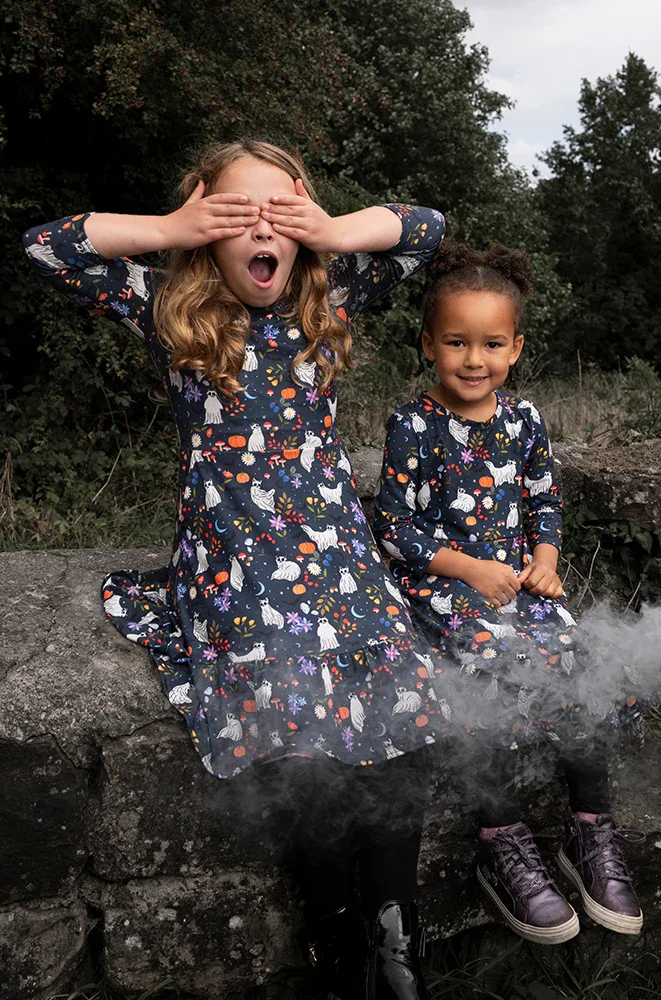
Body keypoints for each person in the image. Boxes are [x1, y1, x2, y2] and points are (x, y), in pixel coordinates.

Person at [23, 138, 449, 999]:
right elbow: (45, 245)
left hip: (339, 556)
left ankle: (396, 940)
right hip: (236, 564)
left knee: (399, 721)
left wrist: (329, 229)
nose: (261, 228)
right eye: (236, 213)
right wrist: (174, 225)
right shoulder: (165, 302)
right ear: (209, 230)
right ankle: (336, 945)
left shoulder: (336, 294)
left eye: (278, 212)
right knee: (307, 742)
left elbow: (425, 230)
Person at [374, 237, 644, 947]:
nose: (474, 359)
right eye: (457, 342)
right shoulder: (413, 426)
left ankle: (589, 829)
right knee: (484, 676)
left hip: (519, 588)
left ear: (516, 348)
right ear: (428, 344)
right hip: (445, 592)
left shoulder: (524, 422)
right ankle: (502, 840)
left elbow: (544, 502)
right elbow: (395, 528)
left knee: (580, 660)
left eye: (492, 344)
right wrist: (466, 568)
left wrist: (548, 557)